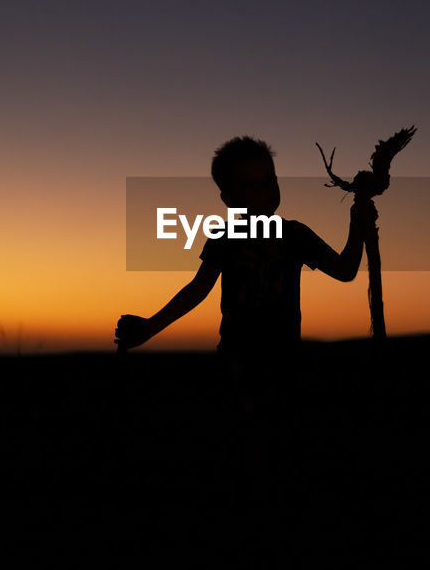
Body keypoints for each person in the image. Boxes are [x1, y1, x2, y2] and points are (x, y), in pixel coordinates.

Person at [115, 136, 375, 402]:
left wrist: (358, 224)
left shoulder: (295, 234)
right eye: (252, 185)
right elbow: (196, 290)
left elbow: (345, 271)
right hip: (235, 365)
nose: (267, 191)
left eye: (271, 180)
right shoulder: (223, 239)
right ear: (228, 198)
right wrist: (149, 327)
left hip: (285, 365)